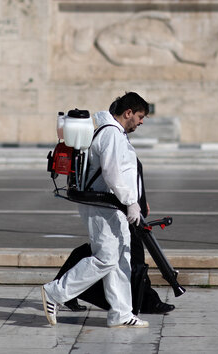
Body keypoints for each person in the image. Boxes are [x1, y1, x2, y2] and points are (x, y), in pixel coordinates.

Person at [41, 92, 150, 328]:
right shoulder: (111, 133)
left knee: (121, 259)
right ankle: (56, 292)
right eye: (140, 116)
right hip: (104, 206)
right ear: (128, 113)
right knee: (106, 258)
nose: (141, 122)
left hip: (111, 205)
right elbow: (112, 173)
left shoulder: (113, 132)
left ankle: (121, 313)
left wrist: (132, 202)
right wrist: (131, 201)